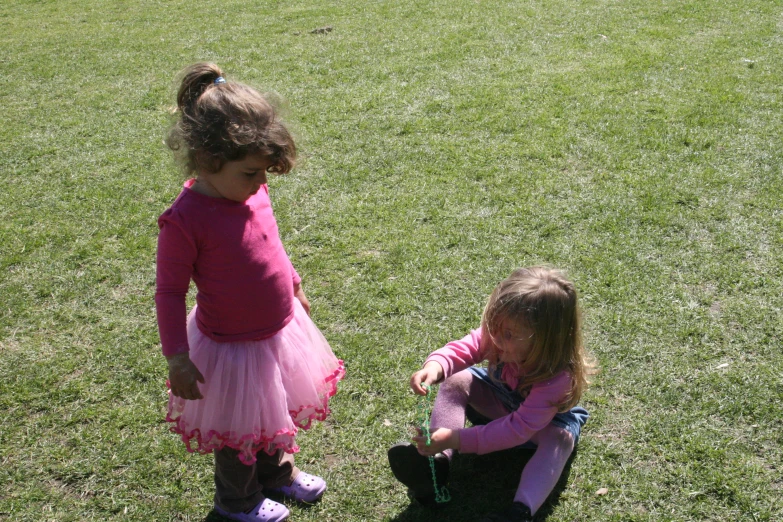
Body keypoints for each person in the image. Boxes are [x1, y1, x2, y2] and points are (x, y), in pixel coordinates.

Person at [155, 62, 345, 522]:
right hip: (231, 345)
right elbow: (169, 292)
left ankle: (278, 475)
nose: (261, 182)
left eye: (265, 172)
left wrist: (295, 284)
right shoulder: (185, 220)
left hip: (278, 329)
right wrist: (177, 357)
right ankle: (237, 501)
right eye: (251, 172)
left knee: (271, 409)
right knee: (240, 425)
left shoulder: (251, 192)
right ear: (207, 160)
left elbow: (272, 244)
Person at [388, 266, 594, 522]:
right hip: (499, 403)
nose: (495, 339)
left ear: (544, 340)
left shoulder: (559, 378)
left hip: (539, 428)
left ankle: (520, 511)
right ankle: (438, 465)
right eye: (492, 326)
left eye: (508, 334)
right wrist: (435, 366)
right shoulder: (498, 337)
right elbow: (465, 348)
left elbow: (518, 430)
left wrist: (457, 438)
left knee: (559, 440)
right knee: (456, 378)